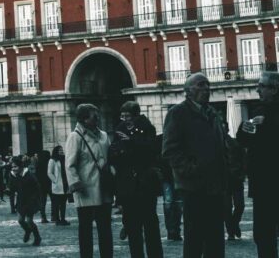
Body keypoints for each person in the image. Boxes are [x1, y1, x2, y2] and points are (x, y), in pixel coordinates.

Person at [162, 72, 228, 258]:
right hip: (193, 186)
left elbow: (221, 145)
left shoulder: (212, 113)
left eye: (207, 85)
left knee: (215, 238)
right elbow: (170, 150)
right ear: (188, 91)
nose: (206, 88)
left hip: (216, 185)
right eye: (200, 85)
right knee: (194, 237)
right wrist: (191, 169)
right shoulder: (177, 113)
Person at [110, 101, 163, 258]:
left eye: (128, 116)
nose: (125, 119)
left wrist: (130, 143)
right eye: (123, 115)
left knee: (150, 224)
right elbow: (114, 152)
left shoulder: (147, 128)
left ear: (136, 115)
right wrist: (119, 150)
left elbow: (151, 150)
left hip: (145, 183)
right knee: (132, 226)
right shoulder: (119, 129)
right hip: (127, 184)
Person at [237, 70, 279, 258]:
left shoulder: (268, 114)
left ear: (275, 89)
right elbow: (244, 140)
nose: (258, 89)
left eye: (262, 86)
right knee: (262, 234)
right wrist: (243, 129)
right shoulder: (259, 109)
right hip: (262, 182)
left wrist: (268, 124)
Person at [66, 102, 113, 258]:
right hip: (86, 190)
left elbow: (111, 159)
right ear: (84, 119)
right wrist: (76, 184)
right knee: (85, 230)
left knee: (105, 228)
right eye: (94, 116)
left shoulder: (104, 136)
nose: (98, 118)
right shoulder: (75, 137)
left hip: (104, 188)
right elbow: (70, 165)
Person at [223, 122, 245, 242]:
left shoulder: (235, 142)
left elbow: (243, 158)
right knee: (226, 207)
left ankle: (234, 224)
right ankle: (231, 230)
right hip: (223, 179)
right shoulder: (213, 145)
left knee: (240, 205)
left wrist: (242, 173)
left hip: (236, 178)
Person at [15, 156, 42, 247]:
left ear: (20, 167)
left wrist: (34, 199)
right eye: (12, 167)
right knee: (20, 220)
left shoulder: (29, 175)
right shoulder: (16, 175)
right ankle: (27, 230)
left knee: (30, 221)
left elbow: (37, 188)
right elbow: (14, 187)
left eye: (15, 167)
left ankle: (37, 237)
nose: (13, 168)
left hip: (30, 201)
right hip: (21, 201)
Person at [48, 145, 69, 225]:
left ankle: (63, 219)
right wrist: (55, 180)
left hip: (65, 183)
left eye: (62, 150)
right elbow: (49, 172)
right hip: (58, 184)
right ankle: (57, 219)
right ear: (56, 151)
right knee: (57, 204)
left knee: (63, 203)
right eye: (60, 150)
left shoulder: (65, 159)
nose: (61, 151)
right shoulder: (52, 160)